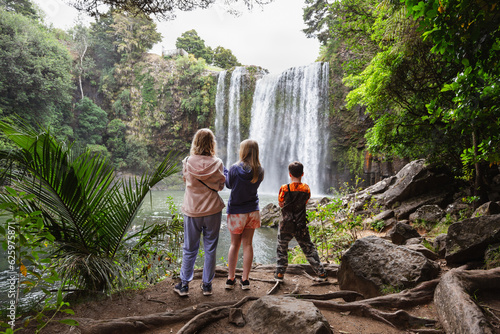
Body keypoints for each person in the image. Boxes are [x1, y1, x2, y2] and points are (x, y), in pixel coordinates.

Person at [174, 128, 226, 297]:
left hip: (192, 210)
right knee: (210, 248)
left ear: (195, 142)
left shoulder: (187, 162)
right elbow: (220, 186)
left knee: (190, 248)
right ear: (211, 144)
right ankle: (207, 285)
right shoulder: (217, 163)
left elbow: (186, 180)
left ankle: (183, 285)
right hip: (212, 210)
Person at [274, 161, 327, 282]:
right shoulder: (306, 188)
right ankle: (321, 273)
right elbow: (305, 201)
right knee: (309, 248)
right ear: (302, 174)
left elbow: (281, 203)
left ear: (289, 174)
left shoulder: (284, 188)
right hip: (300, 224)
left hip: (286, 223)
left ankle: (280, 274)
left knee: (281, 248)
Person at [224, 139, 264, 290]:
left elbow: (229, 184)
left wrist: (225, 172)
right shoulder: (260, 170)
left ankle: (230, 278)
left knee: (235, 244)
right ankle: (245, 280)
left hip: (236, 212)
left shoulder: (234, 168)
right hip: (253, 211)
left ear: (243, 151)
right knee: (248, 244)